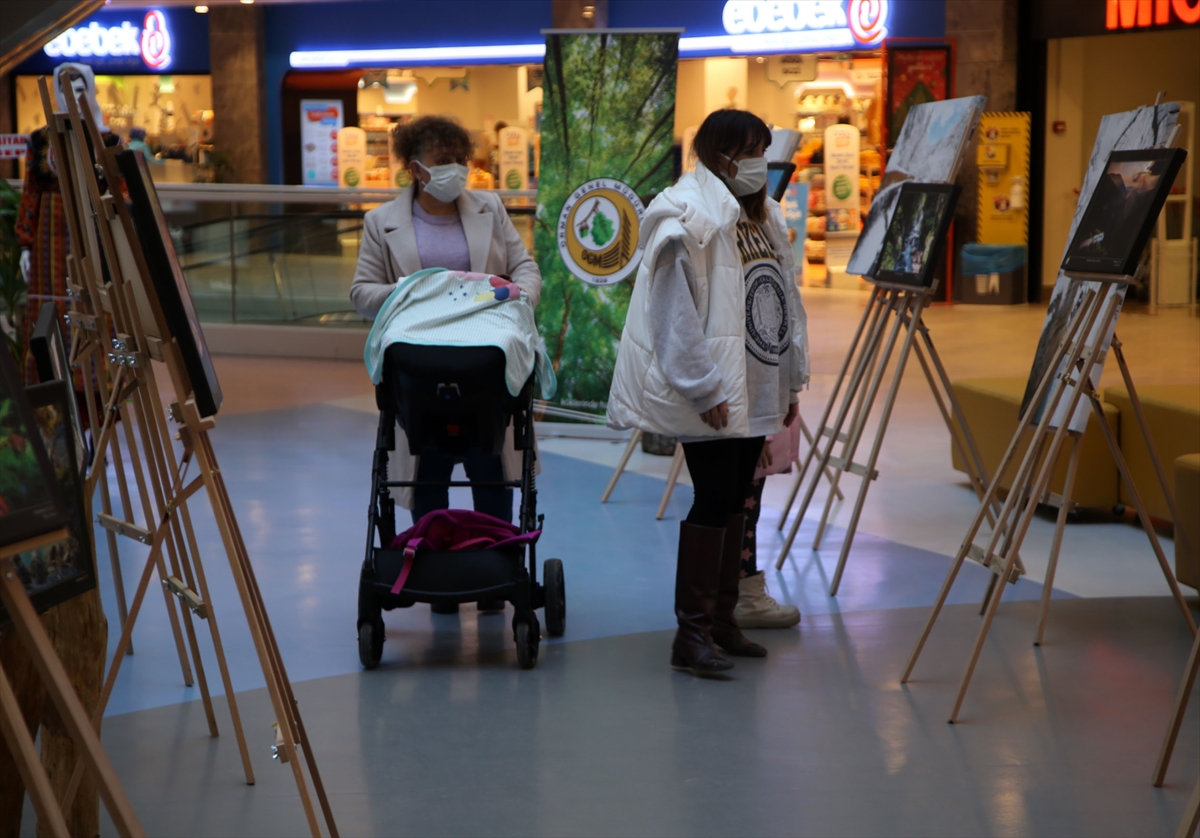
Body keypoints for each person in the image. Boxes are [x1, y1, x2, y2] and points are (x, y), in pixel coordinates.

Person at [607, 109, 809, 676]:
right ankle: (690, 636)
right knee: (713, 499)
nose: (759, 164)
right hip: (717, 389)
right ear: (719, 155)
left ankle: (723, 622)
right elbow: (674, 316)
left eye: (763, 151)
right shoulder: (685, 215)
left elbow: (783, 300)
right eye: (750, 151)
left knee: (735, 499)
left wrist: (789, 379)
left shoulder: (761, 214)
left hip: (758, 383)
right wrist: (702, 387)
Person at [350, 115, 541, 612]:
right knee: (428, 468)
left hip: (484, 362)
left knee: (491, 464)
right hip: (420, 364)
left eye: (461, 160)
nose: (455, 170)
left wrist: (521, 296)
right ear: (414, 169)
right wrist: (417, 293)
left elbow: (524, 266)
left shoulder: (489, 207)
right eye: (442, 162)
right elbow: (361, 292)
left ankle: (497, 567)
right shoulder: (381, 222)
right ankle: (433, 576)